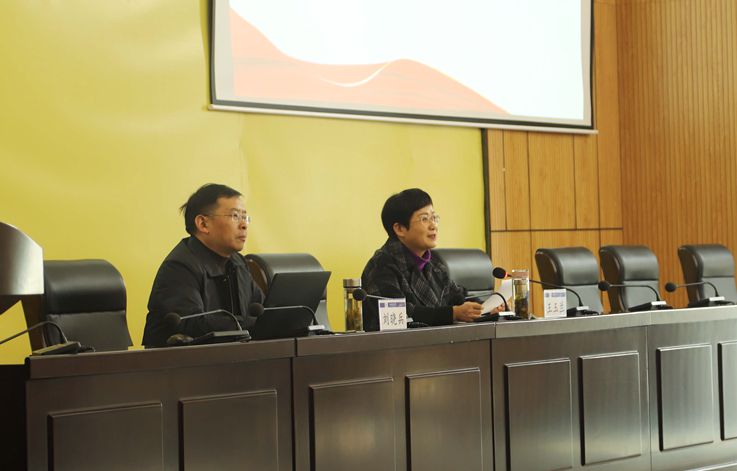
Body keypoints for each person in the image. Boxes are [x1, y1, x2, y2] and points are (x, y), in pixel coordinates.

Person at [142, 183, 264, 347]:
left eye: (245, 217)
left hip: (233, 356)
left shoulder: (238, 263)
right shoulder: (179, 267)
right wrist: (249, 325)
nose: (244, 225)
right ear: (203, 224)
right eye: (235, 216)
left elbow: (262, 311)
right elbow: (193, 326)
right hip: (180, 361)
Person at [361, 188, 493, 331]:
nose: (433, 225)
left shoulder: (434, 263)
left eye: (434, 218)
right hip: (396, 344)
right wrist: (452, 314)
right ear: (400, 229)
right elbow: (401, 315)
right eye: (424, 219)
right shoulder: (381, 266)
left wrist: (487, 307)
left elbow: (459, 297)